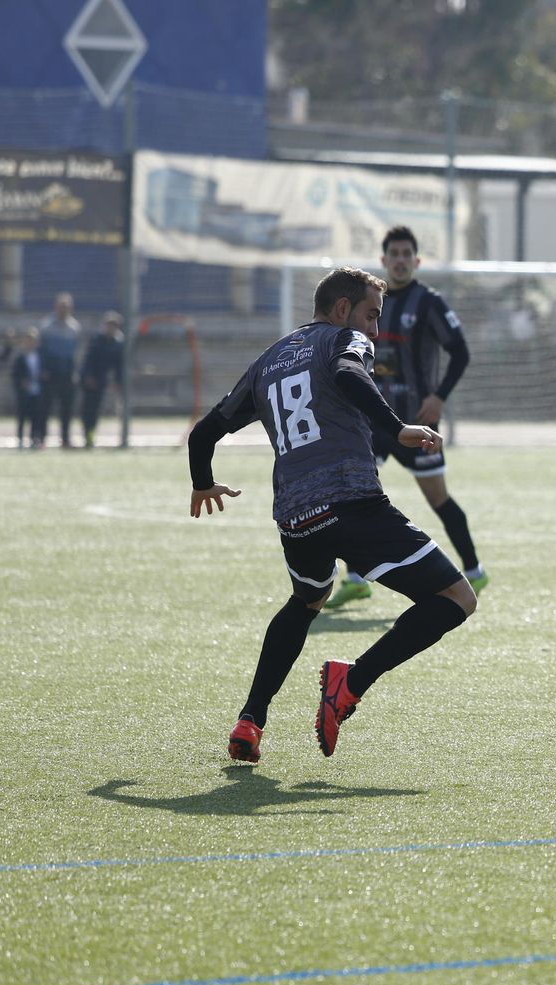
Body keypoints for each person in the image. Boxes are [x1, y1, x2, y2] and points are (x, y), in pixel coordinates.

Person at [188, 267, 477, 763]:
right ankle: (351, 681)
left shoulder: (269, 360)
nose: (374, 330)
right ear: (342, 309)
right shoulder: (344, 340)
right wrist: (397, 427)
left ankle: (250, 720)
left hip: (296, 515)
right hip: (350, 500)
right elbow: (347, 372)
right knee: (457, 598)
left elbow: (203, 433)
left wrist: (202, 482)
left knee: (307, 600)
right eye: (370, 315)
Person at [326, 225, 488, 607]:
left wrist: (438, 396)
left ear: (416, 261)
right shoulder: (368, 303)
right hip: (372, 421)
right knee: (351, 495)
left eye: (406, 255)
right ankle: (354, 579)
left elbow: (461, 352)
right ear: (383, 261)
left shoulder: (429, 303)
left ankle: (475, 570)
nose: (399, 261)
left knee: (438, 499)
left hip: (417, 420)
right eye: (393, 255)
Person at [39, 292, 82, 448]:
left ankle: (65, 439)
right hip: (50, 374)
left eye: (67, 306)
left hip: (67, 374)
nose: (64, 309)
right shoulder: (47, 326)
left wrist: (75, 372)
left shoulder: (74, 327)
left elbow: (75, 353)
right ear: (56, 307)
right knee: (45, 407)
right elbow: (42, 351)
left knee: (67, 409)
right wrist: (43, 369)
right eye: (61, 306)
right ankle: (41, 438)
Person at [79, 311, 125, 448]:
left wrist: (118, 381)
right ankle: (87, 434)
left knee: (95, 410)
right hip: (89, 380)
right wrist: (88, 377)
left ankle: (90, 436)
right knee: (87, 409)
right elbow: (88, 360)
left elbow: (118, 365)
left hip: (101, 381)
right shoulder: (96, 340)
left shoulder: (117, 343)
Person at [10, 327, 45, 449]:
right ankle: (20, 438)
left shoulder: (41, 356)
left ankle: (34, 438)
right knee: (22, 416)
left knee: (36, 416)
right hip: (24, 392)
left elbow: (45, 372)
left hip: (37, 391)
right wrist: (21, 382)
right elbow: (15, 375)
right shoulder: (20, 357)